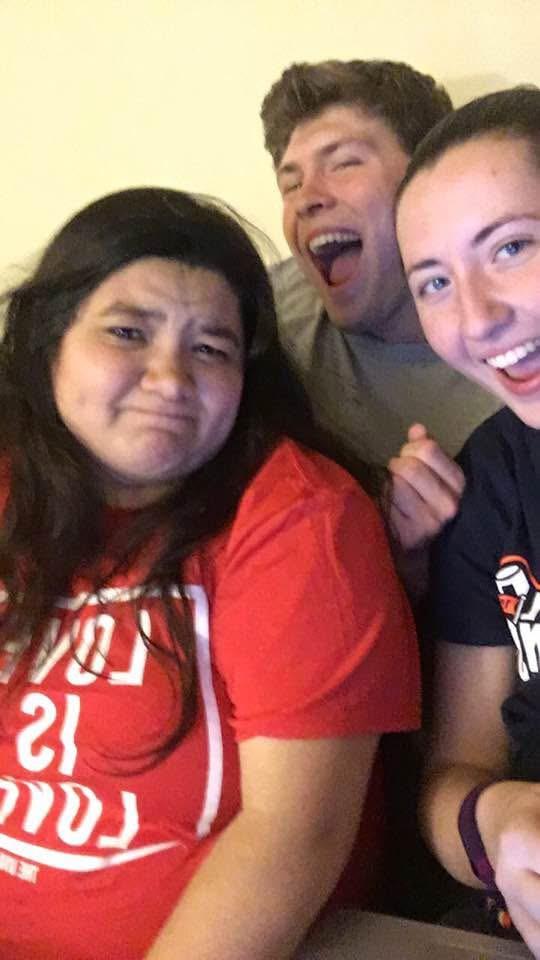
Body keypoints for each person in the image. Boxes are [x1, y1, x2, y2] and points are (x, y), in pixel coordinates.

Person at [0, 187, 419, 960]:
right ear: (48, 341)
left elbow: (294, 836)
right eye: (128, 332)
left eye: (210, 349)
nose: (169, 378)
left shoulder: (302, 519)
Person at [395, 86, 540, 955]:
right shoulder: (492, 476)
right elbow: (455, 771)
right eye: (435, 283)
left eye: (512, 247)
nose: (478, 318)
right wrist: (500, 825)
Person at [260, 59, 499, 553]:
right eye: (290, 184)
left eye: (343, 163)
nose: (307, 199)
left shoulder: (512, 332)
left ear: (425, 179)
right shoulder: (262, 317)